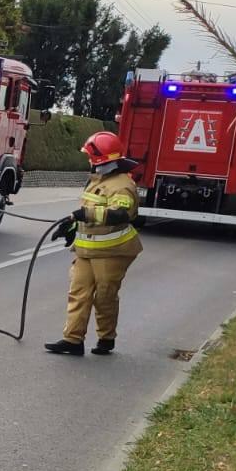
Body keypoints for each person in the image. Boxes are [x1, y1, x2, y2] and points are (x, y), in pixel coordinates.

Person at [45, 131, 143, 356]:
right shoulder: (96, 181)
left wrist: (85, 214)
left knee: (104, 297)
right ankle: (72, 340)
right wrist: (70, 227)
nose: (89, 161)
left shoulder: (122, 185)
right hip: (87, 250)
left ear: (101, 160)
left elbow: (120, 214)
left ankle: (106, 338)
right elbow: (86, 214)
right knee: (78, 293)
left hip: (113, 251)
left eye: (91, 157)